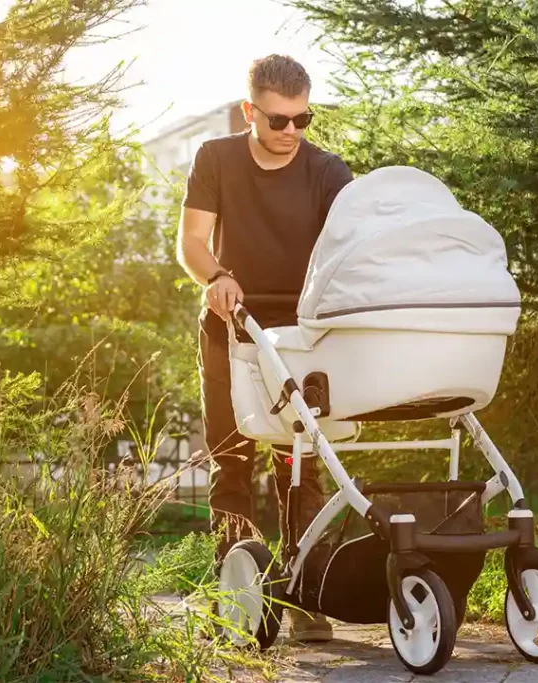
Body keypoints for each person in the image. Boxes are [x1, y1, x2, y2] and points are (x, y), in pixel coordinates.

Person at [175, 54, 354, 643]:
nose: (292, 133)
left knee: (301, 460)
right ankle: (236, 593)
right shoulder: (216, 159)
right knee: (232, 455)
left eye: (303, 119)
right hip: (232, 323)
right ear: (250, 111)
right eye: (279, 121)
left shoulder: (328, 171)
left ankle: (305, 595)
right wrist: (218, 276)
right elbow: (191, 243)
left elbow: (353, 248)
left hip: (303, 332)